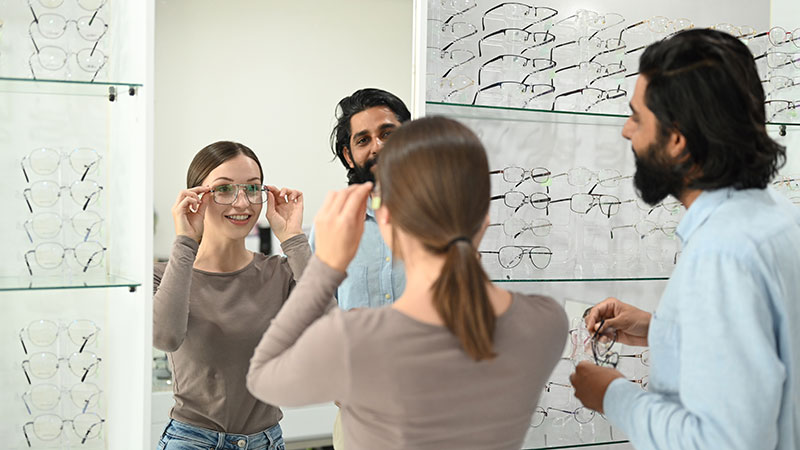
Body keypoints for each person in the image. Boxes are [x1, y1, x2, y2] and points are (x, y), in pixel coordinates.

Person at [246, 117, 568, 450]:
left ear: (384, 220)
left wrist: (325, 267)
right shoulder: (546, 322)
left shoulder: (356, 341)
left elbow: (262, 376)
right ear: (484, 216)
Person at [569, 29, 800, 450]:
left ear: (677, 141)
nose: (626, 132)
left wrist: (613, 395)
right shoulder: (778, 219)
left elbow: (726, 441)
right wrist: (661, 331)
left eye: (637, 117)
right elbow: (764, 359)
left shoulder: (723, 254)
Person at [153, 141, 310, 450]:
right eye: (224, 189)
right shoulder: (165, 275)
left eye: (252, 189)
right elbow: (165, 338)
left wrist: (293, 238)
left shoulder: (279, 273)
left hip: (267, 440)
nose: (242, 203)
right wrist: (185, 240)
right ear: (196, 198)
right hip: (192, 441)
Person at [314, 87, 411, 311]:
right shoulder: (331, 225)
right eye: (363, 140)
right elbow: (317, 311)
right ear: (349, 156)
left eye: (387, 134)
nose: (377, 147)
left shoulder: (440, 217)